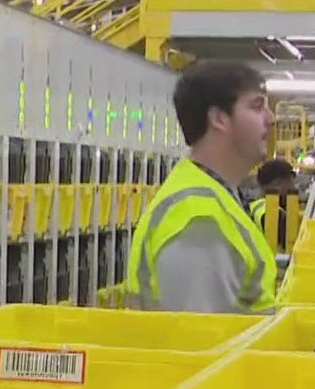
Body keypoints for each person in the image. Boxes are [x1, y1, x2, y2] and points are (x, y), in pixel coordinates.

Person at [125, 60, 277, 313]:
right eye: (257, 106)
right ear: (219, 119)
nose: (271, 118)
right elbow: (202, 342)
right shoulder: (199, 221)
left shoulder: (215, 196)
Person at [246, 157, 300, 243]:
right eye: (290, 183)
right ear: (279, 183)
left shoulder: (253, 207)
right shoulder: (274, 213)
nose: (293, 188)